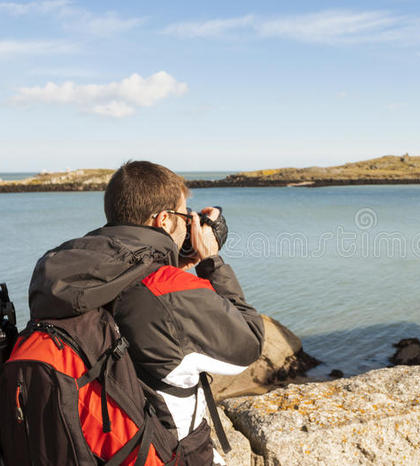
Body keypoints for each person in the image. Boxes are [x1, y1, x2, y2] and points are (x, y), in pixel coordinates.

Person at [28, 160, 265, 465]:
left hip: (87, 446)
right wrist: (211, 262)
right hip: (164, 453)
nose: (188, 223)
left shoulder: (65, 272)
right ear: (165, 220)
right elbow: (250, 343)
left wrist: (171, 266)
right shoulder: (169, 288)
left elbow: (129, 300)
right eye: (184, 215)